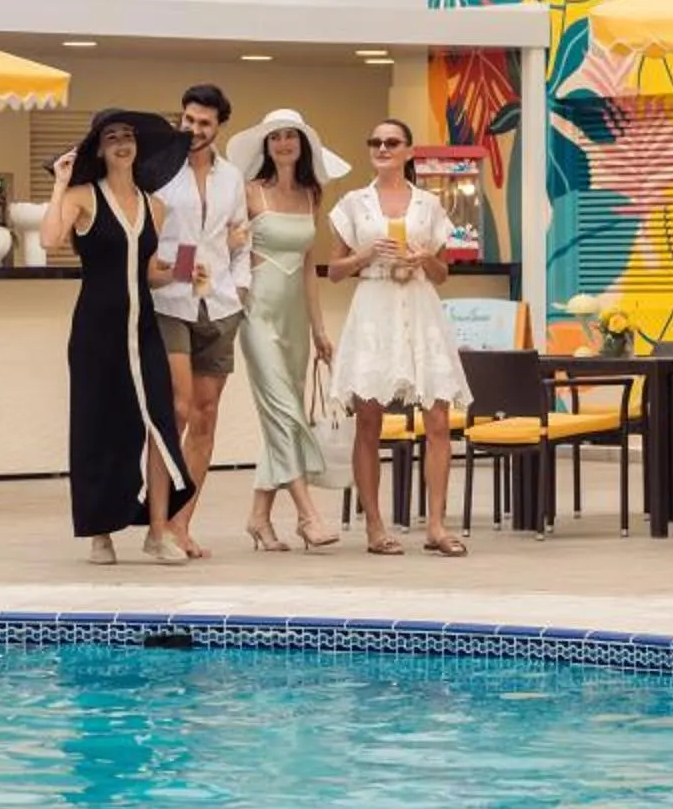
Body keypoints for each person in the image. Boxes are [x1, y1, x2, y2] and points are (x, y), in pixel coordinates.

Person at [40, 108, 196, 566]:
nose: (122, 144)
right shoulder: (82, 197)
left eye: (127, 136)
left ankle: (158, 530)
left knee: (160, 425)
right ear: (101, 149)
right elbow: (50, 240)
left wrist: (181, 272)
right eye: (112, 138)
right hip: (96, 332)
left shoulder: (155, 205)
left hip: (143, 327)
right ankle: (100, 533)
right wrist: (59, 183)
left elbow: (148, 274)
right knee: (99, 429)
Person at [321, 117, 468, 556]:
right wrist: (366, 254)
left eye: (391, 142)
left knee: (438, 414)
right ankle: (375, 526)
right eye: (375, 141)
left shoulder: (428, 205)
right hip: (375, 304)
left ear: (408, 151)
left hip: (419, 305)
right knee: (369, 418)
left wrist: (426, 259)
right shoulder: (353, 204)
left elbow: (442, 275)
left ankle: (437, 526)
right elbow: (333, 272)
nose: (382, 148)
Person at [224, 108, 349, 553]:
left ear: (302, 145)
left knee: (286, 414)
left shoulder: (312, 197)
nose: (282, 144)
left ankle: (259, 516)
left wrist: (319, 330)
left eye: (290, 137)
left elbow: (309, 272)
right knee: (283, 412)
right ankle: (307, 515)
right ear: (265, 145)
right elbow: (225, 245)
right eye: (274, 137)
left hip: (296, 317)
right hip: (257, 312)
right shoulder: (249, 191)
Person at [151, 84, 248, 560]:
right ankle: (156, 516)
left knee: (207, 415)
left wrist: (241, 286)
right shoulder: (159, 169)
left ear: (218, 126)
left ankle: (181, 521)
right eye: (188, 119)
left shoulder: (232, 177)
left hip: (220, 302)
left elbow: (242, 237)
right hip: (170, 298)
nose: (193, 129)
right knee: (180, 408)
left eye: (204, 123)